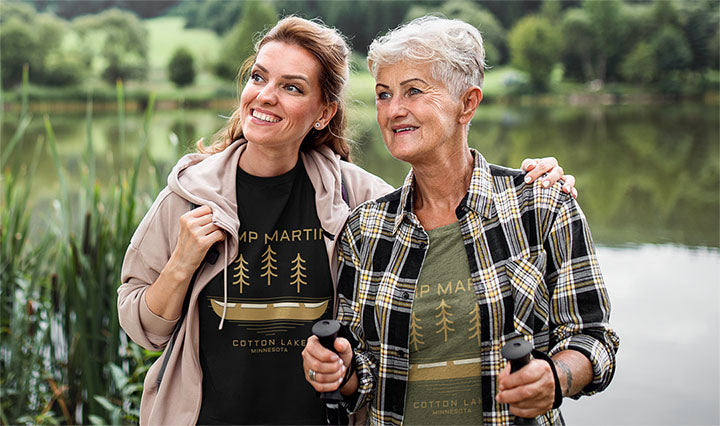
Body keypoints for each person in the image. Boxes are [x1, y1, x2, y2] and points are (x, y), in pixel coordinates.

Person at [118, 16, 576, 425]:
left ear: (323, 113)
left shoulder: (359, 199)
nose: (265, 96)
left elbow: (438, 189)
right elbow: (144, 330)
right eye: (259, 77)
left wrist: (536, 183)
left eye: (292, 87)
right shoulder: (189, 195)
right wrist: (181, 264)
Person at [301, 16, 619, 426]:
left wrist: (555, 379)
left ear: (467, 103)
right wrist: (339, 370)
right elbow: (361, 373)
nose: (394, 110)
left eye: (413, 91)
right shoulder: (365, 229)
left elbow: (594, 338)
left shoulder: (542, 205)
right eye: (383, 95)